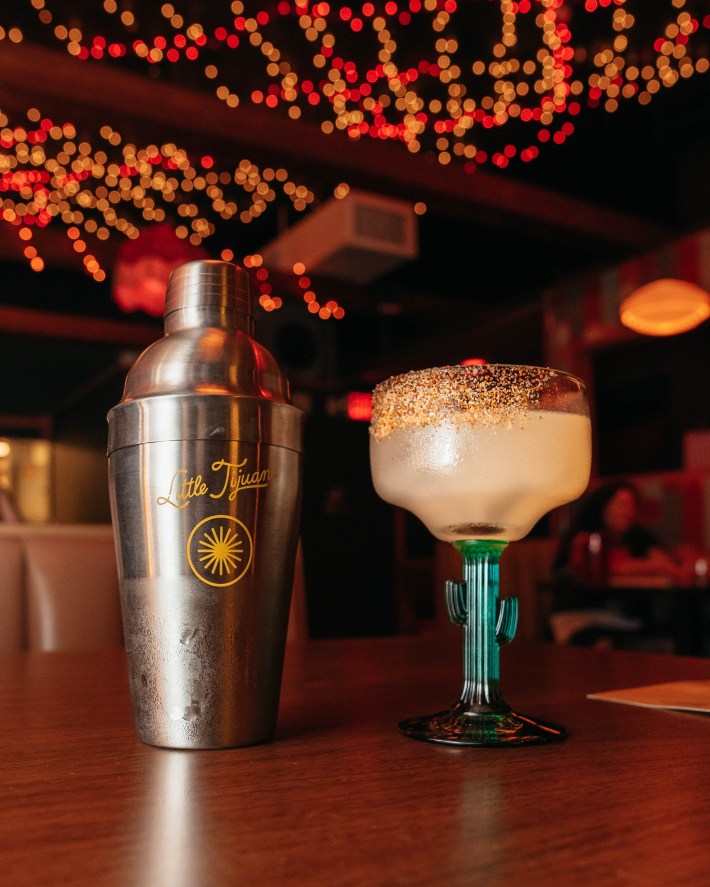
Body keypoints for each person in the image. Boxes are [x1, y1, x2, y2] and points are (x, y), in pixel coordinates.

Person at [550, 480, 694, 648]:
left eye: (632, 505)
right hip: (581, 613)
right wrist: (654, 566)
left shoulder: (637, 535)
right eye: (621, 504)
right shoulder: (586, 537)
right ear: (603, 506)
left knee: (682, 621)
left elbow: (668, 564)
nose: (628, 511)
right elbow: (610, 566)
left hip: (624, 615)